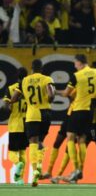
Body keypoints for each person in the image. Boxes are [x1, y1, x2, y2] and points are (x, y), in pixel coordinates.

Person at [56, 54, 96, 182]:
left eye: (75, 63)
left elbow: (66, 93)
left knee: (70, 137)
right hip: (90, 111)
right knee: (82, 139)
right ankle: (78, 170)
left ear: (79, 62)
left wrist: (55, 91)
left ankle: (76, 168)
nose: (75, 66)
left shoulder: (77, 76)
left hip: (78, 109)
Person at [10, 59, 55, 187]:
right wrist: (48, 99)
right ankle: (40, 165)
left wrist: (24, 97)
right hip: (45, 112)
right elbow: (51, 95)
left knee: (33, 142)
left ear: (31, 68)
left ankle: (35, 169)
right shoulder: (46, 79)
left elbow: (14, 98)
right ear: (41, 68)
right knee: (41, 141)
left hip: (32, 114)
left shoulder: (24, 80)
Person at [2, 67, 28, 185]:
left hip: (14, 124)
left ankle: (18, 164)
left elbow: (6, 105)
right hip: (27, 123)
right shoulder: (28, 88)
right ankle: (20, 179)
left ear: (17, 76)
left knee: (12, 152)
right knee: (23, 152)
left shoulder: (11, 88)